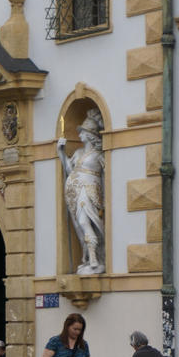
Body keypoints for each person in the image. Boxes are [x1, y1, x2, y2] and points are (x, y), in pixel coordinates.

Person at [57, 108, 106, 275]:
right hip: (75, 192)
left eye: (83, 132)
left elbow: (107, 174)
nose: (80, 135)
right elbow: (69, 170)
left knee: (86, 221)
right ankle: (88, 257)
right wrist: (61, 152)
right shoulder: (78, 153)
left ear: (91, 135)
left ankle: (94, 258)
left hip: (90, 190)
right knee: (80, 223)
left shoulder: (99, 154)